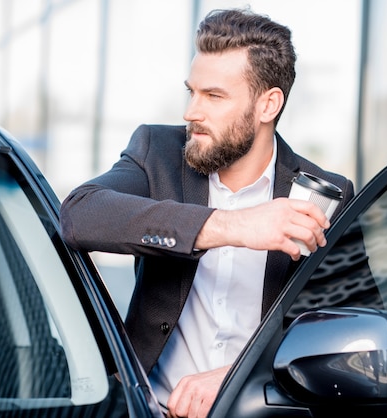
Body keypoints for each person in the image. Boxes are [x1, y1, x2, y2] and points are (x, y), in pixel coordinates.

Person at [60, 8, 354, 418]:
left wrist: (243, 374)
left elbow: (346, 337)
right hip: (151, 410)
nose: (191, 112)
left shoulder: (327, 195)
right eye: (192, 91)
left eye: (214, 96)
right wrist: (233, 226)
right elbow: (80, 215)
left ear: (268, 104)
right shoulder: (156, 153)